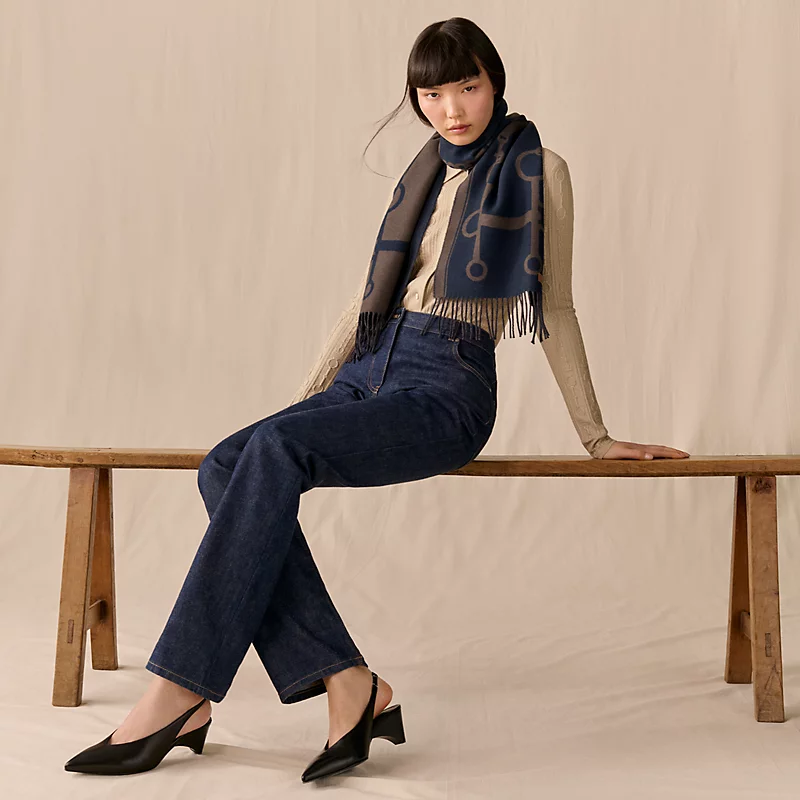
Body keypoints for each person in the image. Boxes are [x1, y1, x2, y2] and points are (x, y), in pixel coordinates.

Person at [64, 16, 689, 783]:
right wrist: (300, 408)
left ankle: (181, 690)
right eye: (433, 94)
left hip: (447, 384)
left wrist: (596, 435)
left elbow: (553, 304)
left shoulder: (537, 168)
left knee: (267, 453)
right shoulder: (420, 175)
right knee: (230, 461)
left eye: (468, 87)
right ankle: (348, 681)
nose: (451, 109)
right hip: (367, 369)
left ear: (495, 82)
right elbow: (367, 304)